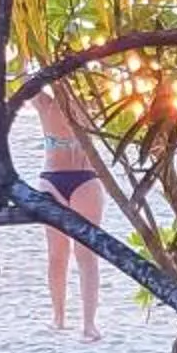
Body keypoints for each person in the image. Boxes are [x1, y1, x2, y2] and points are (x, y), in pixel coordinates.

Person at [36, 84, 115, 339]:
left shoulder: (89, 101)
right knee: (56, 255)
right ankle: (58, 316)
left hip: (85, 179)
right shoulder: (45, 103)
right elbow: (19, 80)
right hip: (52, 179)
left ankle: (89, 323)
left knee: (86, 254)